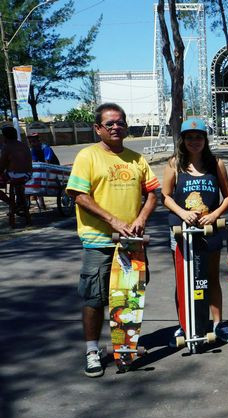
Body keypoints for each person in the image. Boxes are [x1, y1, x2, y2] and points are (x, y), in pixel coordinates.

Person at [66, 103, 159, 377]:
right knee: (94, 299)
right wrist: (113, 220)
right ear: (98, 129)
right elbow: (79, 195)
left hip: (131, 242)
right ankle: (92, 351)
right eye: (110, 124)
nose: (116, 127)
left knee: (128, 299)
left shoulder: (137, 159)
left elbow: (153, 193)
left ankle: (124, 347)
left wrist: (141, 218)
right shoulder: (88, 156)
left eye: (120, 122)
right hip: (99, 241)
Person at [162, 118, 228, 345]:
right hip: (182, 231)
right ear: (183, 139)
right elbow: (164, 196)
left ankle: (218, 324)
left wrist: (215, 214)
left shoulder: (216, 163)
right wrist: (183, 213)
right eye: (190, 137)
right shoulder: (175, 164)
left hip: (210, 231)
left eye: (199, 136)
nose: (195, 141)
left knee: (211, 277)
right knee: (184, 279)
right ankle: (184, 326)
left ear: (205, 139)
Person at [0, 126, 33, 226]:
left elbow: (2, 166)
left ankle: (12, 203)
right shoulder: (23, 145)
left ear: (5, 137)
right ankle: (19, 204)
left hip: (15, 176)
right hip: (28, 175)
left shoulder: (7, 147)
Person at [27, 132, 61, 211]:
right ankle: (42, 205)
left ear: (38, 140)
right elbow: (34, 162)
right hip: (44, 168)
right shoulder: (34, 149)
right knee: (36, 179)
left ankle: (41, 203)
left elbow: (47, 161)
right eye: (31, 142)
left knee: (39, 178)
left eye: (34, 141)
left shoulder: (45, 147)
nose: (32, 143)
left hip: (54, 168)